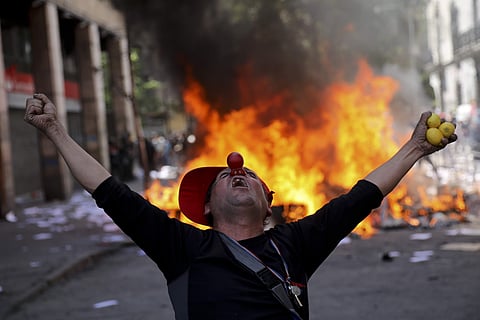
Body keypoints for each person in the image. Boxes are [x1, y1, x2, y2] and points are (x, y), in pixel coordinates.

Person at [24, 93, 456, 320]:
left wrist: (415, 148)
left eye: (250, 175)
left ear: (268, 203)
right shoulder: (182, 248)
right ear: (208, 207)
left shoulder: (297, 244)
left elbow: (362, 196)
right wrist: (55, 131)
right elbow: (109, 191)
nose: (238, 170)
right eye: (224, 178)